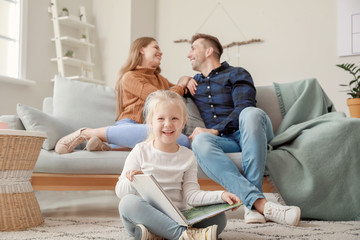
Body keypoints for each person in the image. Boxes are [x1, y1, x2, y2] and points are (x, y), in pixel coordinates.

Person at [184, 33, 301, 226]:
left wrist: (216, 131)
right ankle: (258, 204)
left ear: (209, 51)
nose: (189, 54)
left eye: (193, 48)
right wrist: (181, 81)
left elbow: (243, 106)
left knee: (250, 113)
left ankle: (253, 205)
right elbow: (166, 97)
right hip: (226, 142)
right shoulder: (194, 83)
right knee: (199, 141)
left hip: (251, 131)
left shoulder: (237, 73)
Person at [115, 90, 241, 240]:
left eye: (174, 118)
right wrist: (133, 181)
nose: (168, 124)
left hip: (177, 216)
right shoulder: (140, 151)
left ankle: (159, 235)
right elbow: (120, 191)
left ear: (183, 122)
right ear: (150, 122)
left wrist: (221, 195)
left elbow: (192, 195)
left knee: (219, 219)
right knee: (127, 203)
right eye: (161, 118)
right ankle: (184, 236)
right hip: (147, 216)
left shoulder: (188, 156)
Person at [55, 37, 191, 154]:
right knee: (163, 134)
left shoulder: (161, 80)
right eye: (156, 47)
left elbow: (175, 96)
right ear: (141, 50)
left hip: (148, 128)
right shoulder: (130, 76)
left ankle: (107, 147)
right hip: (129, 125)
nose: (161, 52)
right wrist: (181, 83)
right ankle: (86, 133)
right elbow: (157, 98)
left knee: (183, 141)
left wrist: (187, 82)